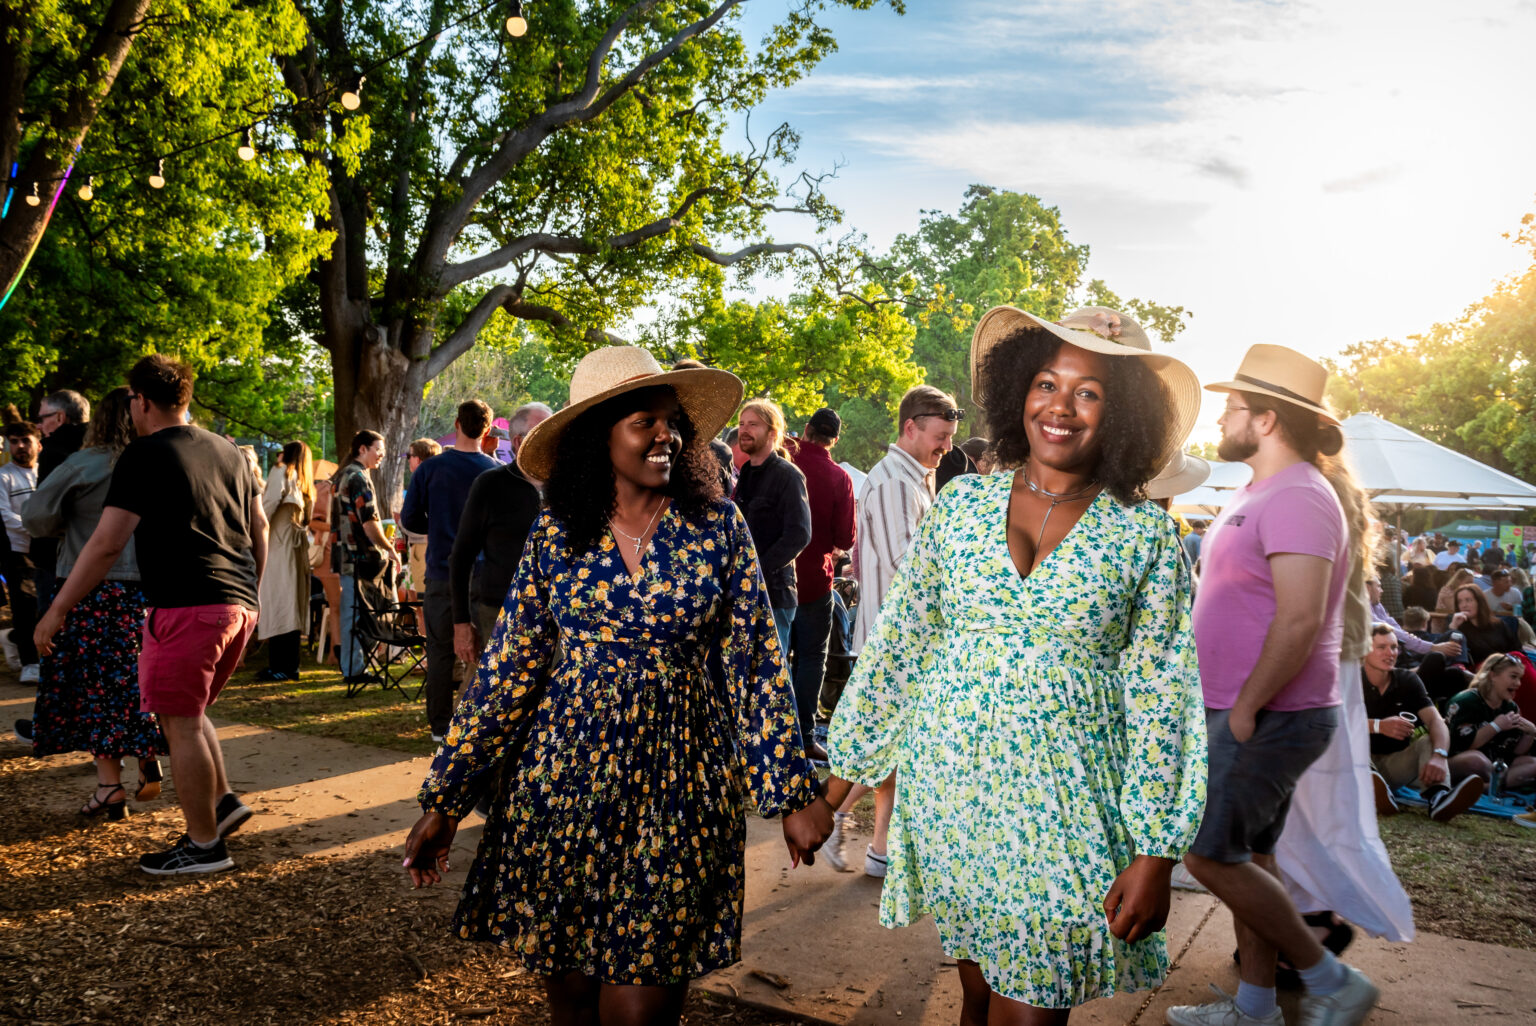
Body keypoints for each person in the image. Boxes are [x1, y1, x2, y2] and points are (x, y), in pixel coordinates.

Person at [401, 346, 831, 1026]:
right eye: (644, 422)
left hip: (680, 787)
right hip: (564, 789)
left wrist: (791, 792)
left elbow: (755, 665)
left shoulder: (717, 527)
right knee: (572, 1001)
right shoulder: (557, 533)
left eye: (672, 422)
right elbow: (508, 671)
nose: (666, 436)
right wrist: (447, 798)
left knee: (640, 1005)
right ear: (596, 438)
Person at [825, 305, 1207, 1022]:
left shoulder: (1144, 537)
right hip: (954, 799)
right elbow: (900, 648)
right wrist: (833, 791)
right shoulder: (960, 506)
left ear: (1123, 412)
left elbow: (1166, 699)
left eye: (1088, 391)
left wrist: (1156, 852)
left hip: (1069, 811)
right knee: (976, 996)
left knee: (1030, 1008)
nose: (1060, 406)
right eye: (1045, 383)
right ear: (1018, 392)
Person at [1173, 344, 1379, 1026]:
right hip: (1247, 707)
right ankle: (1255, 1006)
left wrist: (1246, 707)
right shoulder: (1262, 489)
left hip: (1267, 712)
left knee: (1207, 855)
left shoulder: (1299, 495)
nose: (1221, 418)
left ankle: (1330, 978)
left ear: (1265, 419)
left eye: (1232, 407)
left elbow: (1299, 619)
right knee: (1250, 857)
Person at [35, 355, 267, 875]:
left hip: (186, 605)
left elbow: (105, 544)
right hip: (236, 603)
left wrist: (57, 609)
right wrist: (251, 593)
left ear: (140, 401)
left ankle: (204, 846)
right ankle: (222, 805)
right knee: (191, 714)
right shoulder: (228, 450)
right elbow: (260, 527)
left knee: (179, 724)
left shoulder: (143, 454)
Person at [824, 383, 960, 878]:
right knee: (885, 742)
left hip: (909, 639)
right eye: (940, 436)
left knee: (898, 746)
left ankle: (880, 849)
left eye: (950, 437)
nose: (946, 447)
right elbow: (907, 565)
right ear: (910, 427)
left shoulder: (914, 477)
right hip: (896, 641)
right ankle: (833, 814)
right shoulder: (893, 483)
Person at [19, 387, 167, 817]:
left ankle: (109, 787)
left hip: (89, 587)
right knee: (140, 678)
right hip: (152, 588)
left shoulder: (85, 463)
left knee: (94, 687)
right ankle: (145, 751)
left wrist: (70, 523)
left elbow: (35, 517)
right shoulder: (160, 460)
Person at [401, 400, 501, 741]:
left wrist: (437, 525)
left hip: (442, 569)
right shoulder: (494, 472)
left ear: (457, 424)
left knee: (440, 650)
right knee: (485, 650)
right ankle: (478, 720)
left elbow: (410, 518)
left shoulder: (430, 469)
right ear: (487, 430)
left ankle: (441, 726)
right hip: (483, 573)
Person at [449, 401, 547, 664]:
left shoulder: (567, 486)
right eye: (542, 432)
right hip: (501, 609)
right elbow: (461, 557)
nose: (552, 439)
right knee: (497, 684)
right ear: (518, 441)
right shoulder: (491, 484)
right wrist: (461, 623)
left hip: (560, 610)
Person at [787, 407, 856, 762]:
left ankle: (769, 730)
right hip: (814, 578)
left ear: (807, 428)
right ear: (835, 440)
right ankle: (803, 734)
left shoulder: (780, 456)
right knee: (813, 658)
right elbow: (846, 537)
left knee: (773, 655)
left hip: (772, 577)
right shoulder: (838, 477)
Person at [1361, 624, 1482, 820]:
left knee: (1429, 740)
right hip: (1358, 763)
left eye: (1394, 647)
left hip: (1394, 765)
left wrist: (1440, 756)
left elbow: (1435, 720)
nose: (1390, 653)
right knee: (1346, 740)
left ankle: (1439, 798)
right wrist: (1379, 726)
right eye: (1381, 647)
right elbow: (1337, 723)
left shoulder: (1407, 680)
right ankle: (1371, 789)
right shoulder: (1351, 679)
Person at [732, 398, 811, 658]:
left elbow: (799, 534)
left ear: (773, 433)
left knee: (773, 673)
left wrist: (758, 570)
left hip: (774, 595)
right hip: (742, 593)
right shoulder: (746, 473)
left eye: (753, 424)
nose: (744, 430)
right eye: (742, 423)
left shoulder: (788, 475)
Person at [332, 431, 399, 685]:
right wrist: (389, 547)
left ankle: (355, 668)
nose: (382, 454)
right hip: (359, 557)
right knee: (367, 613)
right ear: (362, 449)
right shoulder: (358, 477)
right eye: (378, 449)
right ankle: (354, 670)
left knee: (355, 614)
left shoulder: (344, 474)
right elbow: (369, 522)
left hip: (347, 556)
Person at [256, 441, 316, 682]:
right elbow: (308, 517)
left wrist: (254, 534)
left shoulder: (281, 472)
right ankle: (288, 665)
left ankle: (281, 666)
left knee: (278, 604)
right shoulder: (304, 482)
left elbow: (267, 506)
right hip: (294, 548)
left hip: (278, 546)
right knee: (290, 606)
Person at [31, 390, 90, 620]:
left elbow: (44, 513)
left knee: (52, 625)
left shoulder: (54, 451)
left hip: (56, 556)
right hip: (96, 558)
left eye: (42, 418)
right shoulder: (102, 449)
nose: (38, 426)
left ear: (60, 417)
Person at [1366, 579, 1470, 704]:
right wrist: (1433, 647)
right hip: (1402, 663)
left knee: (1455, 670)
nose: (1382, 590)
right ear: (1367, 588)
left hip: (1409, 655)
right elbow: (1395, 633)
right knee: (1436, 658)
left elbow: (1397, 630)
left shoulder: (1377, 606)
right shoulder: (1365, 612)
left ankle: (1458, 670)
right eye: (1379, 586)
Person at [1446, 652, 1536, 790]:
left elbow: (1514, 753)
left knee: (1533, 764)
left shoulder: (1511, 707)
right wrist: (1496, 726)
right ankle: (1498, 784)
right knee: (1477, 761)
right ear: (1493, 675)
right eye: (1513, 676)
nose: (1518, 683)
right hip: (1460, 760)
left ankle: (1484, 787)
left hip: (1495, 763)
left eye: (1520, 678)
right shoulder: (1466, 701)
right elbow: (1464, 745)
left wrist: (1529, 733)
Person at [1, 421, 41, 682]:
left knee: (45, 604)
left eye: (25, 440)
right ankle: (30, 662)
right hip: (17, 550)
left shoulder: (48, 473)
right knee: (25, 604)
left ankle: (12, 637)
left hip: (50, 547)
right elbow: (4, 515)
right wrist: (37, 528)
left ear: (39, 444)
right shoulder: (3, 477)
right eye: (14, 442)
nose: (20, 446)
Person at [403, 438, 442, 591]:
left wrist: (429, 531)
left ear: (418, 459)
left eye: (409, 456)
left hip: (423, 545)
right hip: (441, 546)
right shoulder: (442, 477)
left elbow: (409, 517)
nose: (408, 460)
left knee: (423, 596)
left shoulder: (421, 477)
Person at [1448, 584, 1518, 669]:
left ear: (1479, 602)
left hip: (1508, 667)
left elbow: (1517, 650)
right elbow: (1451, 657)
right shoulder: (1459, 629)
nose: (1464, 605)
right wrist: (1453, 627)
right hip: (1481, 672)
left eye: (1468, 600)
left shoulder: (1499, 624)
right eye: (1460, 602)